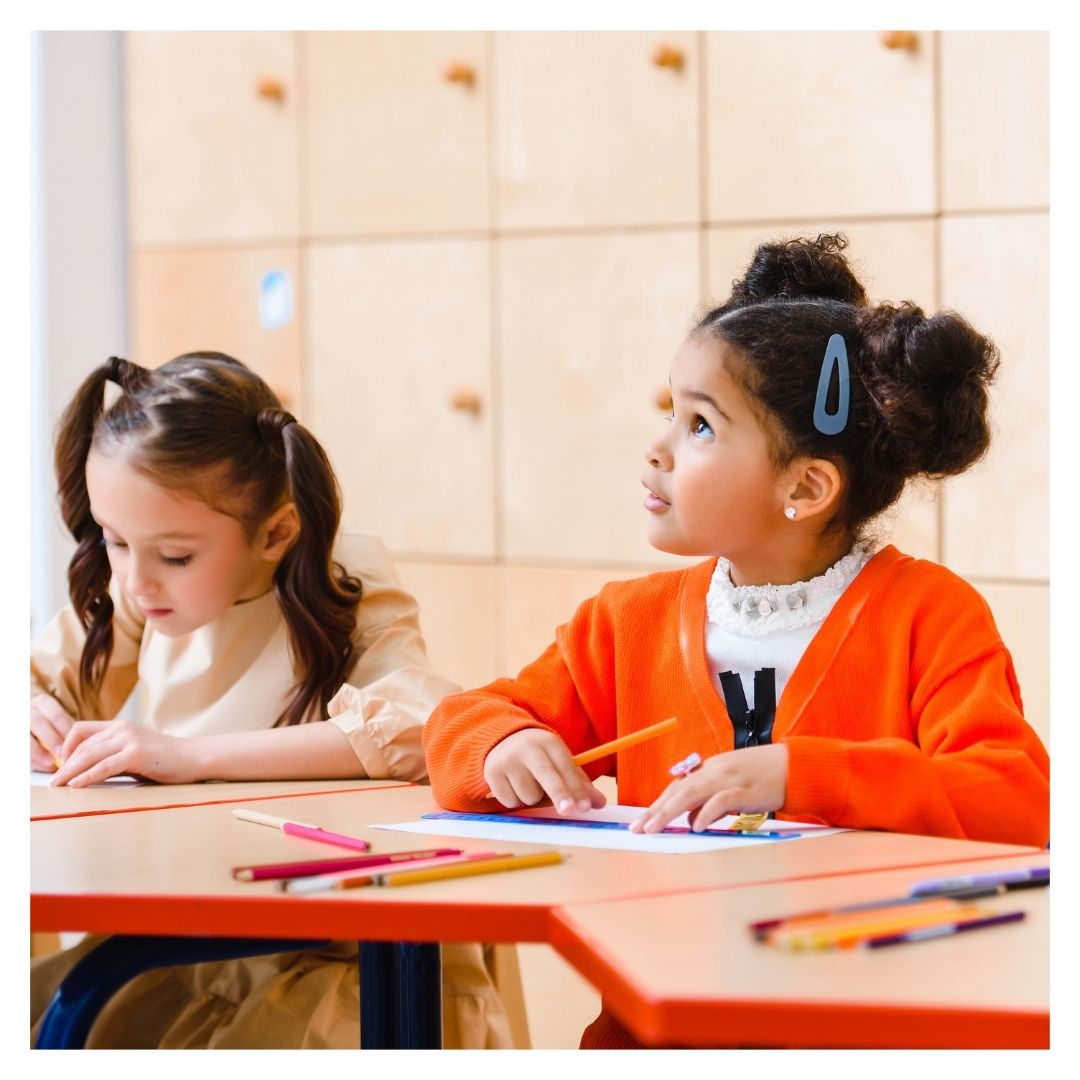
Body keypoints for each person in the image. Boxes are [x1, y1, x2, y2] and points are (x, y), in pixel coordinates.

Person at [421, 234, 1050, 1048]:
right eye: (668, 412)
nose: (657, 446)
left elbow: (1014, 800)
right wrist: (502, 743)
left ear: (805, 487)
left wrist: (800, 773)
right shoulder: (625, 623)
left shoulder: (930, 615)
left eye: (701, 426)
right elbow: (464, 722)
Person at [30, 351, 510, 1048]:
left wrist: (190, 756)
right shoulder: (147, 586)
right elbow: (43, 679)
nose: (135, 579)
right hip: (198, 936)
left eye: (176, 555)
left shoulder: (344, 576)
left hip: (326, 963)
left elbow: (419, 726)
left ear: (276, 532)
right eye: (114, 540)